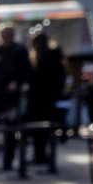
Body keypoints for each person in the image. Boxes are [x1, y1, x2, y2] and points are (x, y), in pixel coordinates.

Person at [0, 25, 32, 170]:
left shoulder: (19, 51)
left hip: (9, 98)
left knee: (9, 130)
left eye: (8, 34)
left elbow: (27, 72)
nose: (6, 38)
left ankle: (7, 162)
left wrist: (16, 83)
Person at [27, 32, 67, 165]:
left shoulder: (48, 59)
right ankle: (40, 155)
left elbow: (52, 80)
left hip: (43, 100)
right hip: (44, 100)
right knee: (41, 131)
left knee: (42, 130)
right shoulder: (50, 58)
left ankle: (42, 156)